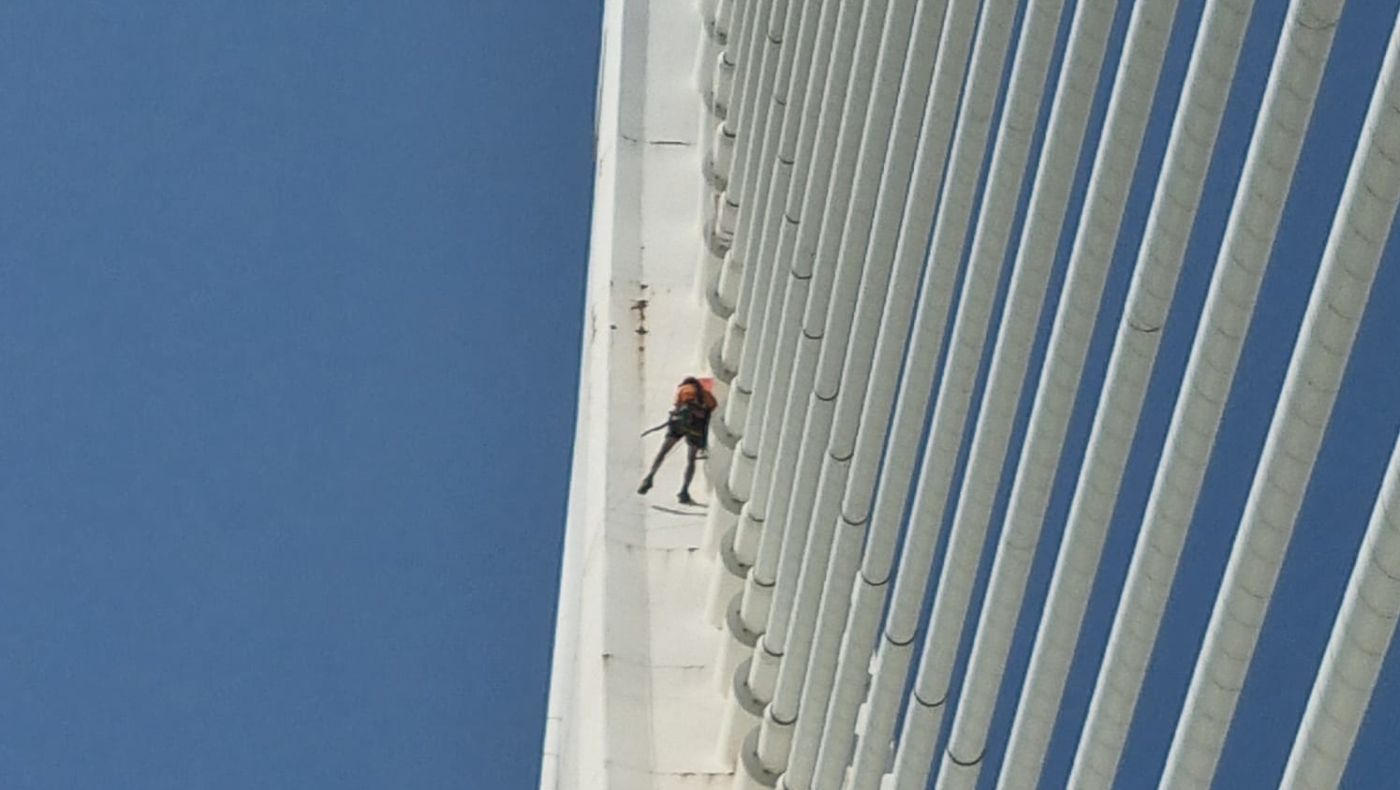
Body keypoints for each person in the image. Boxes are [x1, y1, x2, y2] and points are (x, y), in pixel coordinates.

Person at [638, 376, 718, 504]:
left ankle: (649, 477)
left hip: (679, 423)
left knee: (663, 452)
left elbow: (677, 406)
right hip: (696, 428)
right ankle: (684, 491)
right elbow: (712, 407)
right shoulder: (706, 395)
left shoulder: (683, 389)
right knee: (691, 460)